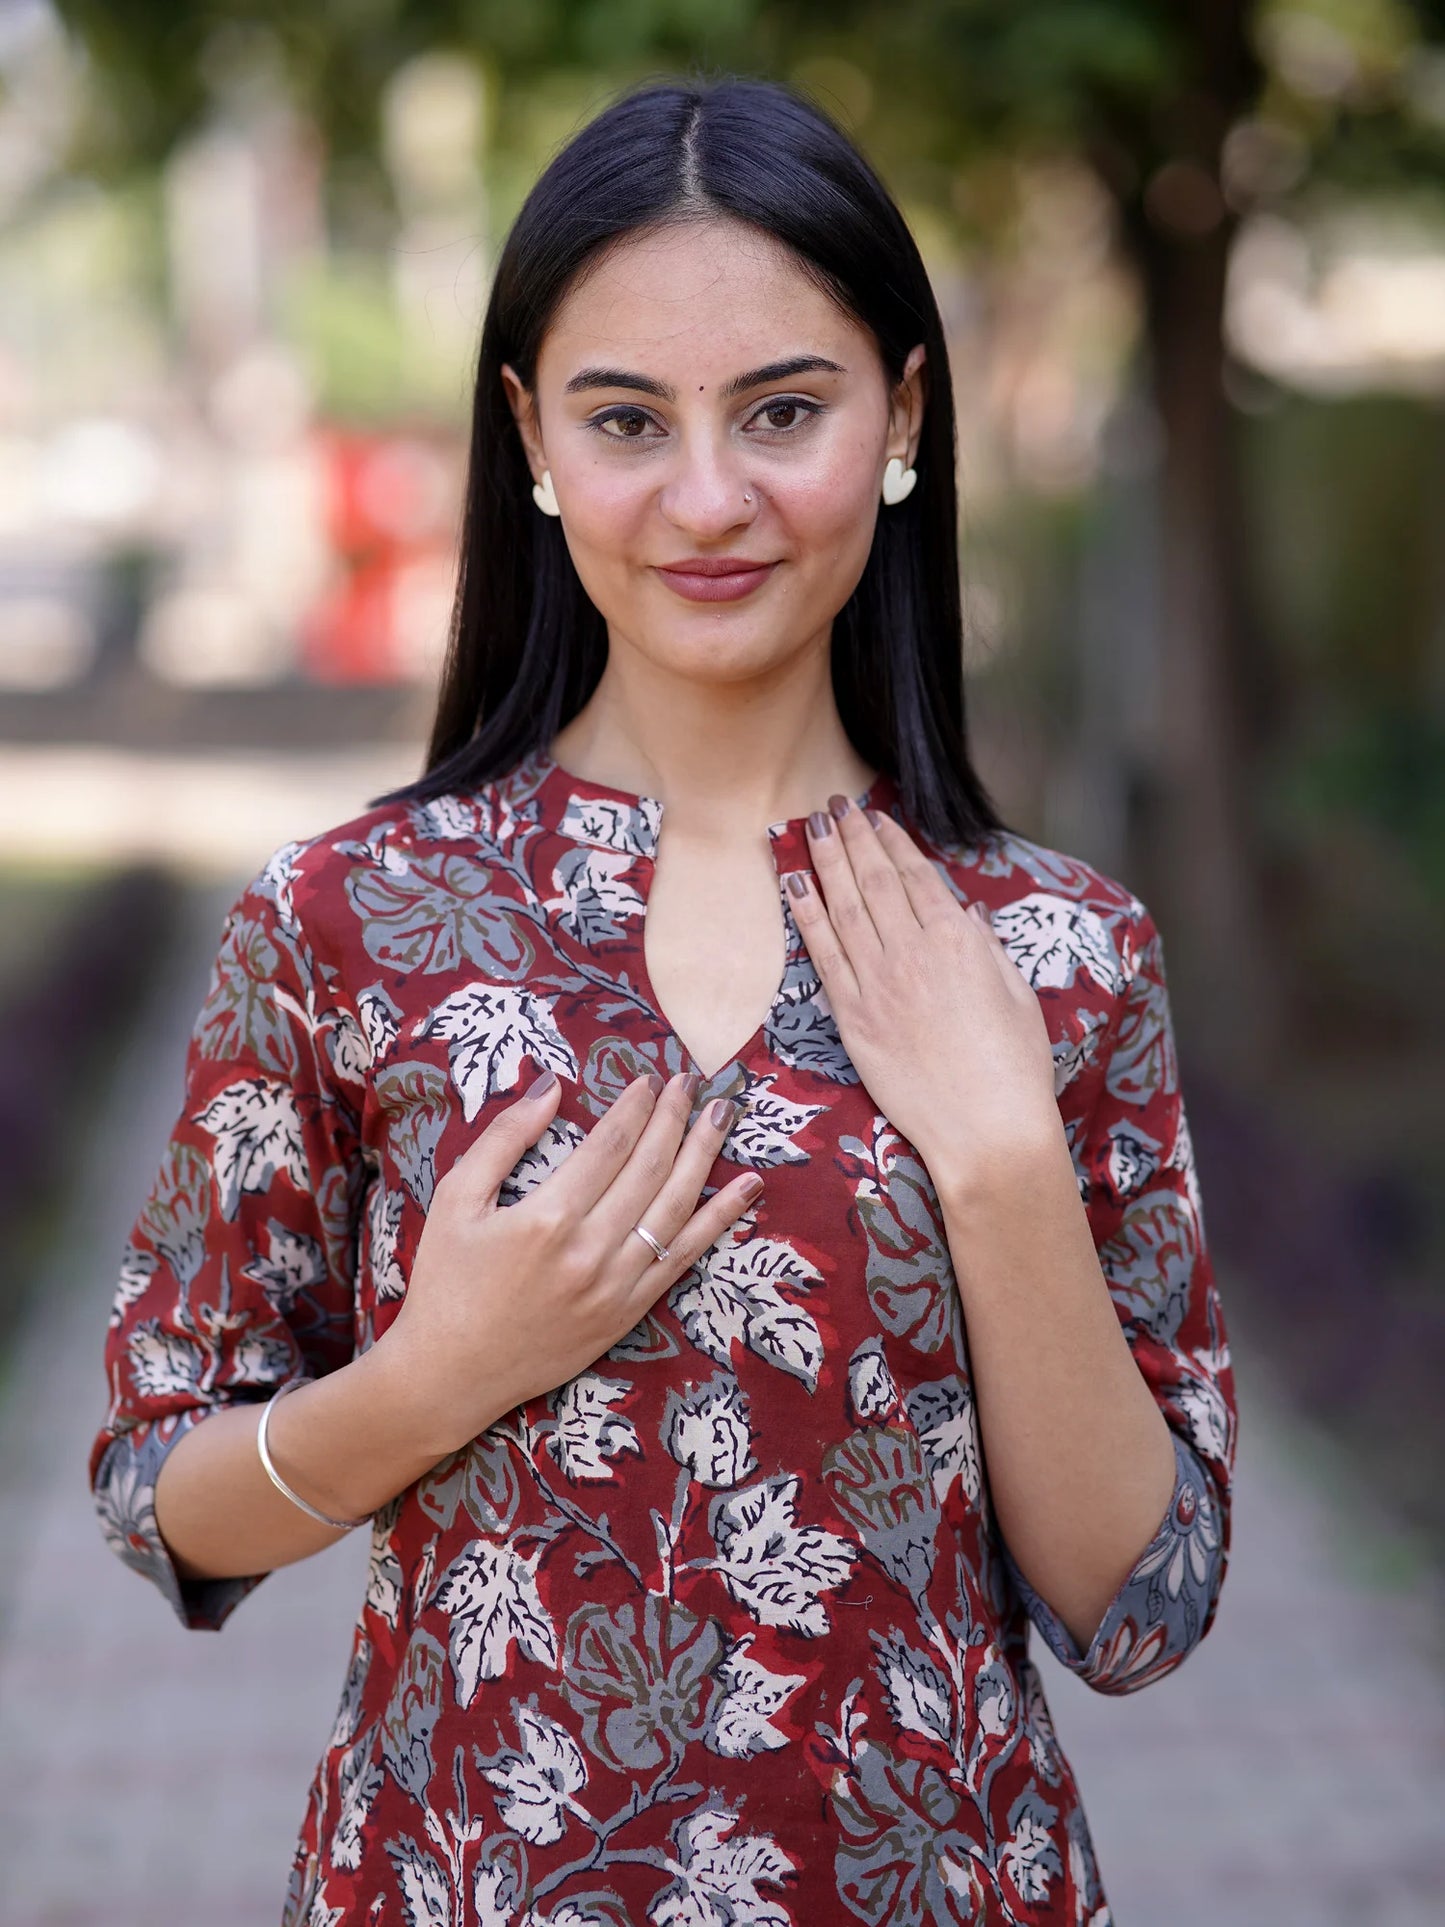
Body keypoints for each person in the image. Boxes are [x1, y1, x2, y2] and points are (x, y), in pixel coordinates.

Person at [89, 72, 1238, 1927]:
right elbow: (157, 1498)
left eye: (783, 410)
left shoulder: (1056, 947)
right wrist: (438, 1378)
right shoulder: (350, 918)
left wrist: (1002, 1165)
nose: (710, 498)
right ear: (531, 439)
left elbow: (1143, 1610)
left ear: (903, 419)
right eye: (629, 419)